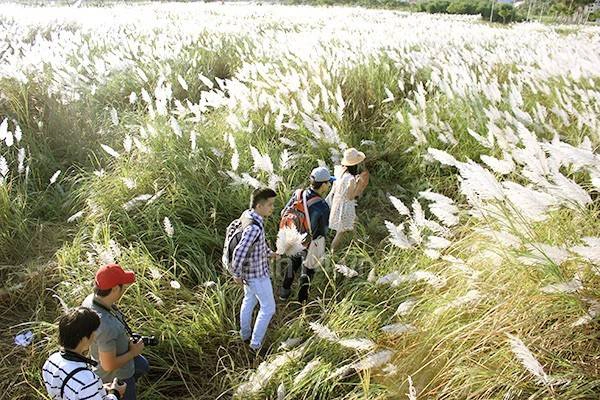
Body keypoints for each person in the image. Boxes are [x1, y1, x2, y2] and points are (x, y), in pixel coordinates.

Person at [82, 264, 148, 400]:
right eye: (123, 286)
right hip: (116, 376)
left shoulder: (91, 300)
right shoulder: (106, 326)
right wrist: (133, 352)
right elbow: (108, 365)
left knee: (142, 365)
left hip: (112, 356)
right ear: (115, 289)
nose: (125, 288)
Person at [229, 187, 278, 353]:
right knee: (268, 308)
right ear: (259, 206)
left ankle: (245, 335)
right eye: (270, 205)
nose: (272, 208)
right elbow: (240, 251)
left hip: (249, 273)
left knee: (249, 300)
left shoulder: (248, 215)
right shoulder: (254, 228)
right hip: (256, 275)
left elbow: (257, 244)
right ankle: (255, 345)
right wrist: (235, 273)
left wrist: (270, 253)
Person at [42, 307, 127, 400]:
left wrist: (98, 388)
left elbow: (72, 389)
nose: (94, 336)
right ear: (84, 339)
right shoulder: (87, 380)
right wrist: (115, 393)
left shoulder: (51, 361)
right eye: (94, 332)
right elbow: (83, 386)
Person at [279, 166, 334, 302]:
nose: (330, 185)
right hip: (311, 241)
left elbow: (284, 212)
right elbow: (323, 232)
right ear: (323, 185)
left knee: (292, 264)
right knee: (308, 271)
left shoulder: (299, 194)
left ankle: (284, 292)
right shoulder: (322, 206)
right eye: (329, 183)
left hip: (294, 237)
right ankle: (302, 301)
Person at [327, 148, 370, 252]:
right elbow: (351, 196)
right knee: (341, 232)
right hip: (345, 208)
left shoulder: (339, 170)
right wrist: (357, 183)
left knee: (354, 222)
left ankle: (357, 241)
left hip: (337, 204)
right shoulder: (350, 179)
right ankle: (332, 253)